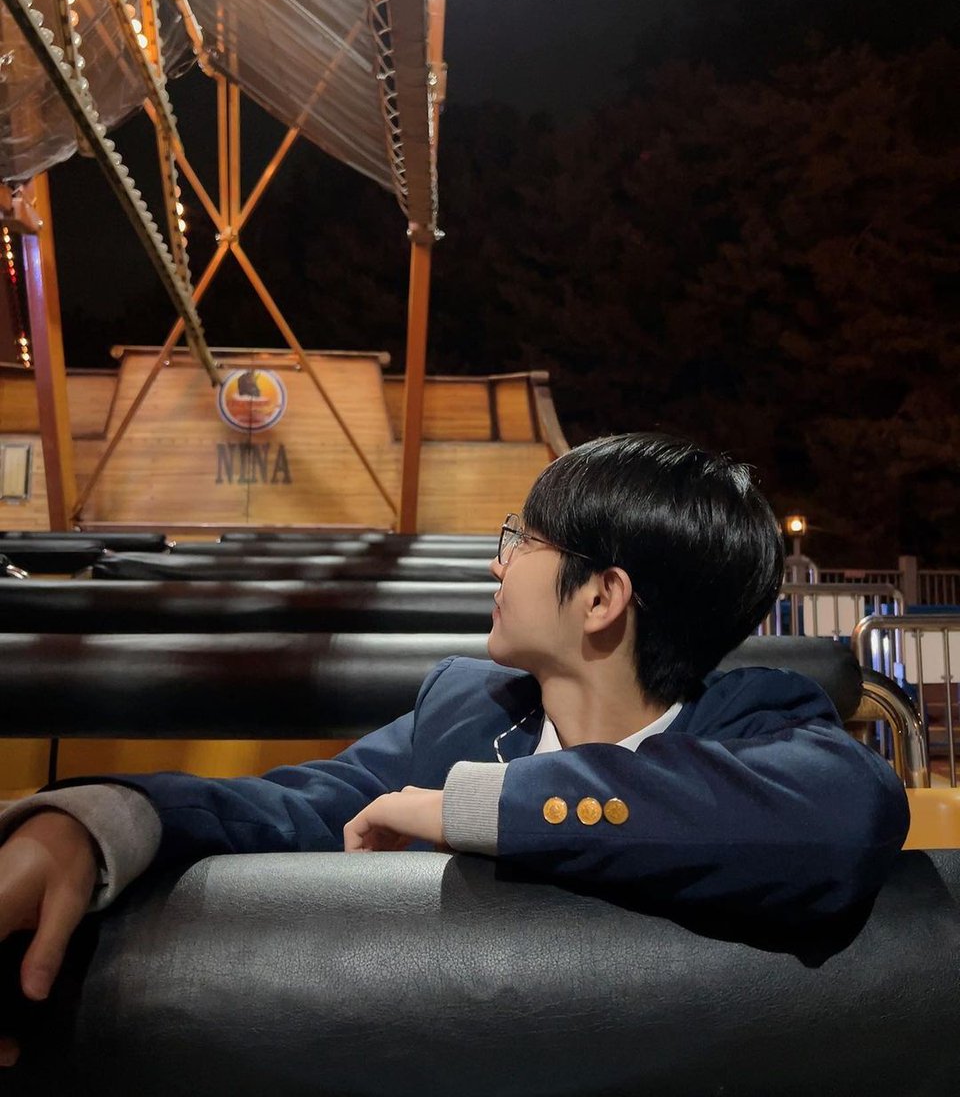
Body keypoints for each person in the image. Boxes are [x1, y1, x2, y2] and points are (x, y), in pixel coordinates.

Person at [0, 432, 909, 1068]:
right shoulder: (466, 710)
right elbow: (292, 805)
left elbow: (843, 819)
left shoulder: (752, 718)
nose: (496, 562)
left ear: (601, 598)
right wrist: (94, 821)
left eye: (522, 540)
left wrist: (482, 807)